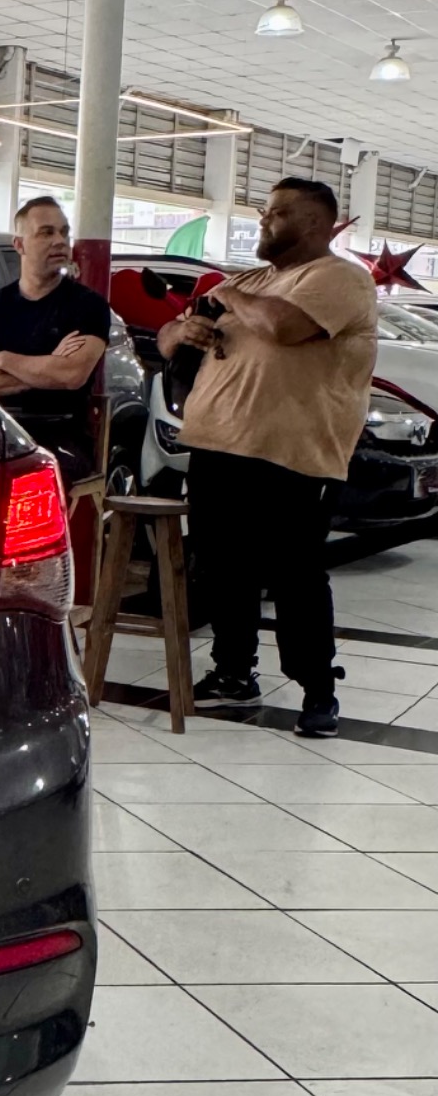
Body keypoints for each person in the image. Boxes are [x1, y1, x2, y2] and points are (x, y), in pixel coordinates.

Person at [158, 177, 377, 737]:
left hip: (293, 456)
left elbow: (284, 327)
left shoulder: (339, 278)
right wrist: (184, 329)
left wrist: (227, 295)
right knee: (222, 567)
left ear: (314, 223)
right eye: (265, 211)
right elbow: (166, 339)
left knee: (294, 576)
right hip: (216, 445)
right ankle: (233, 672)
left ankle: (318, 689)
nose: (263, 221)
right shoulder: (252, 280)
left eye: (277, 213)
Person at [0, 196, 111, 483]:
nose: (60, 241)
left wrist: (3, 359)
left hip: (61, 436)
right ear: (19, 245)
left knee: (29, 476)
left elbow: (72, 375)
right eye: (46, 233)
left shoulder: (89, 307)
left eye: (64, 232)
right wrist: (48, 368)